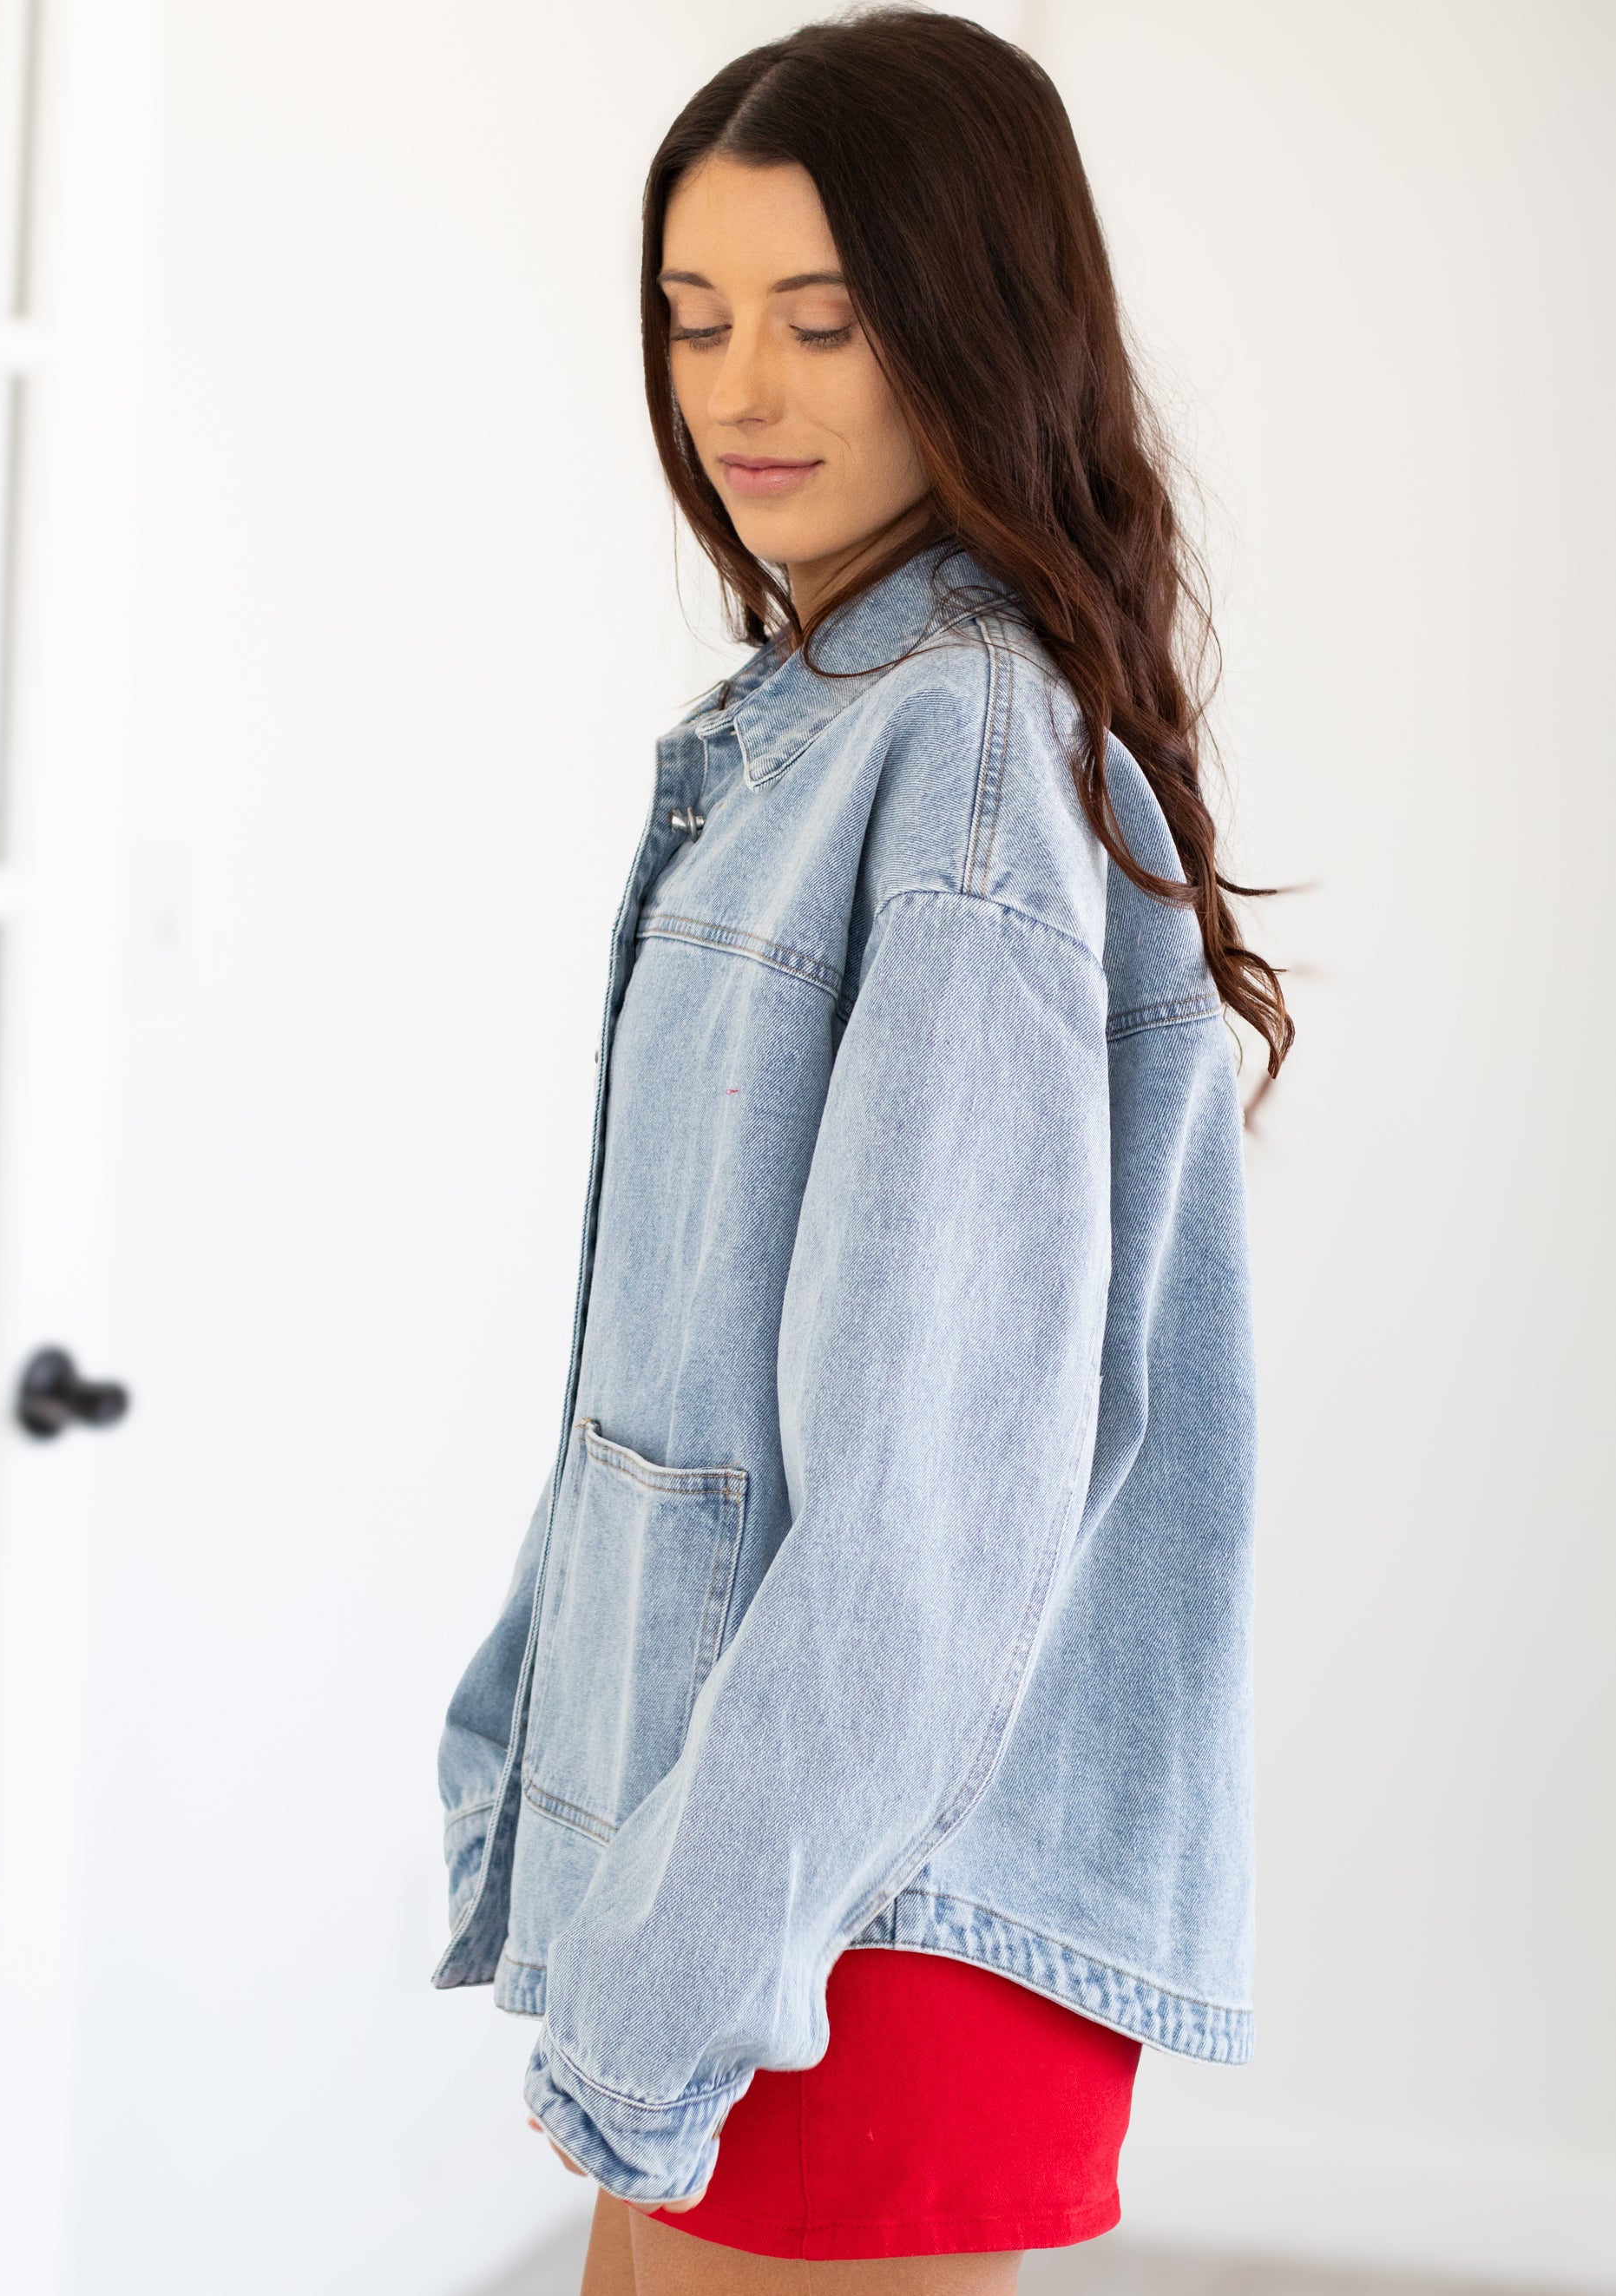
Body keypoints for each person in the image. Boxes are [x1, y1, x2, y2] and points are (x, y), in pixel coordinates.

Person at [434, 12, 1291, 2292]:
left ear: (974, 330)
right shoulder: (814, 731)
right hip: (746, 1878)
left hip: (846, 1919)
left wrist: (683, 1966)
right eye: (694, 316)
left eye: (823, 322)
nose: (743, 391)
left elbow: (921, 1506)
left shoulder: (958, 760)